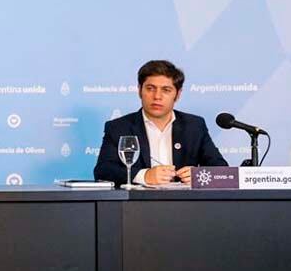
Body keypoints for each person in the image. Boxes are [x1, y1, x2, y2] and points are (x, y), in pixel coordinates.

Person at [93, 60, 226, 186]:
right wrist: (144, 176)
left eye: (166, 90)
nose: (157, 96)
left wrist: (199, 175)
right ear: (140, 90)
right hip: (138, 201)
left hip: (185, 200)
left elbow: (222, 170)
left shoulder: (194, 126)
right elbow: (103, 171)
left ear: (177, 94)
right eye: (150, 88)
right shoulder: (119, 127)